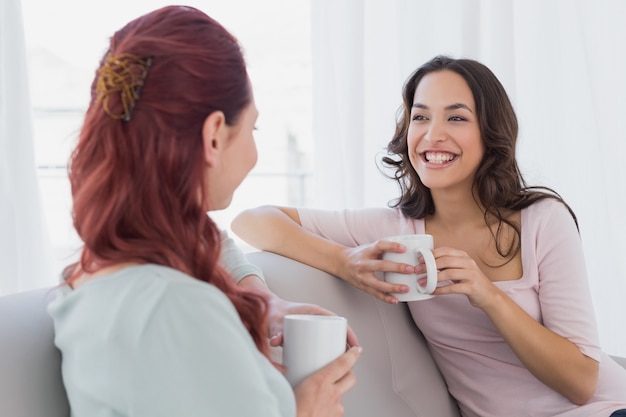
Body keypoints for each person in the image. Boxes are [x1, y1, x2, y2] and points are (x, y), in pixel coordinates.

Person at [232, 55, 626, 416]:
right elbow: (252, 221)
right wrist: (344, 261)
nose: (432, 135)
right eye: (420, 118)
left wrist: (486, 294)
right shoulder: (396, 229)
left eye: (456, 118)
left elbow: (581, 383)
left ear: (490, 133)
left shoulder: (542, 220)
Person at [46, 5, 361, 417]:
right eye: (253, 129)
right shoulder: (177, 308)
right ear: (213, 135)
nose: (253, 152)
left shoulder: (96, 275)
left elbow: (203, 237)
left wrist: (265, 303)